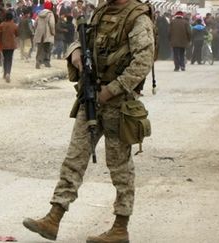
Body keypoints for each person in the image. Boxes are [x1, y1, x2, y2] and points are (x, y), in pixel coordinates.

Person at [22, 0, 155, 242]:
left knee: (120, 166)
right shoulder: (102, 11)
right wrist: (74, 53)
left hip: (119, 104)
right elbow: (81, 38)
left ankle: (120, 227)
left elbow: (143, 62)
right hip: (92, 97)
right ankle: (54, 217)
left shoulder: (138, 17)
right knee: (74, 158)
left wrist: (113, 89)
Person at [0, 12, 18, 83]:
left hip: (3, 45)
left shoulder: (1, 25)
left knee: (5, 59)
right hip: (11, 45)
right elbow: (17, 34)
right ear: (12, 18)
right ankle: (8, 73)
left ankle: (5, 73)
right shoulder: (14, 25)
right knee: (9, 59)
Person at [33, 1, 55, 69]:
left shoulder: (39, 13)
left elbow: (35, 23)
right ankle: (46, 62)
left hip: (40, 33)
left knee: (39, 48)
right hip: (47, 34)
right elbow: (52, 24)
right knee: (47, 48)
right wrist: (53, 32)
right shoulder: (50, 14)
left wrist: (37, 30)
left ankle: (38, 61)